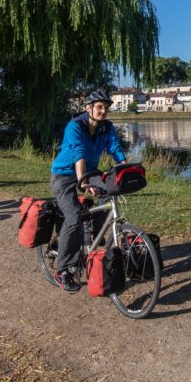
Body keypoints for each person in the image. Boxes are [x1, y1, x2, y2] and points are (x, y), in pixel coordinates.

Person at [49, 90, 127, 293]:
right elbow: (79, 153)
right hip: (64, 174)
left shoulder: (106, 127)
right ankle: (63, 269)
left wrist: (125, 166)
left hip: (88, 171)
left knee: (110, 192)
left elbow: (114, 146)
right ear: (88, 108)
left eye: (106, 108)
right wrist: (83, 181)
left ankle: (92, 235)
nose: (103, 111)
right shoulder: (75, 126)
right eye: (99, 107)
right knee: (74, 216)